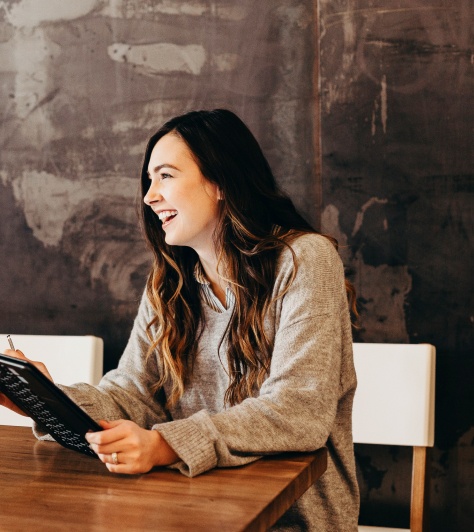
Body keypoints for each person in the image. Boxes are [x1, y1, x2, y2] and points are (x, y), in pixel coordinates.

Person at [1, 109, 359, 531]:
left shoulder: (305, 260)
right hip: (191, 509)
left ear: (221, 181)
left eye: (166, 176)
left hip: (290, 519)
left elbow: (298, 411)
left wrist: (164, 445)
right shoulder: (168, 285)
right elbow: (133, 395)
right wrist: (48, 402)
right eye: (149, 181)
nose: (150, 196)